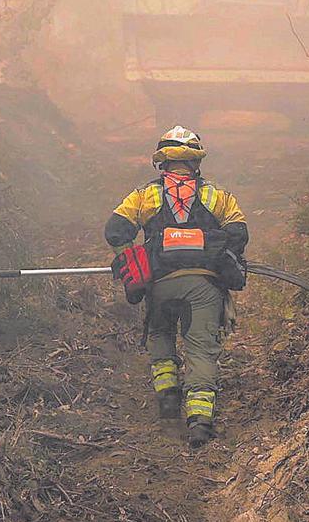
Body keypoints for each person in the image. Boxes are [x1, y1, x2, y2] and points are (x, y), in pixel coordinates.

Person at [104, 126, 248, 447]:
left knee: (160, 338)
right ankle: (200, 423)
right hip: (204, 288)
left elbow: (115, 228)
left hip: (161, 287)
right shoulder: (217, 197)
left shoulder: (145, 196)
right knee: (201, 349)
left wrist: (131, 260)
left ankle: (168, 403)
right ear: (196, 162)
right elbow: (238, 234)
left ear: (162, 163)